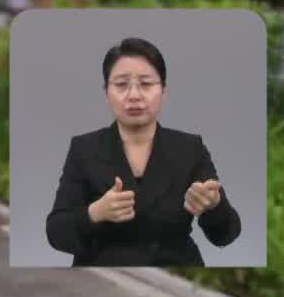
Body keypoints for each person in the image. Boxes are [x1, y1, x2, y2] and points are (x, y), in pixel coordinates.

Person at [45, 36, 242, 266]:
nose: (134, 95)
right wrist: (95, 213)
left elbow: (226, 235)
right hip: (103, 275)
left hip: (175, 273)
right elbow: (56, 232)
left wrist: (214, 206)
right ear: (106, 93)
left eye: (146, 84)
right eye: (121, 85)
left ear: (164, 91)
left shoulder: (189, 148)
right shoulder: (84, 149)